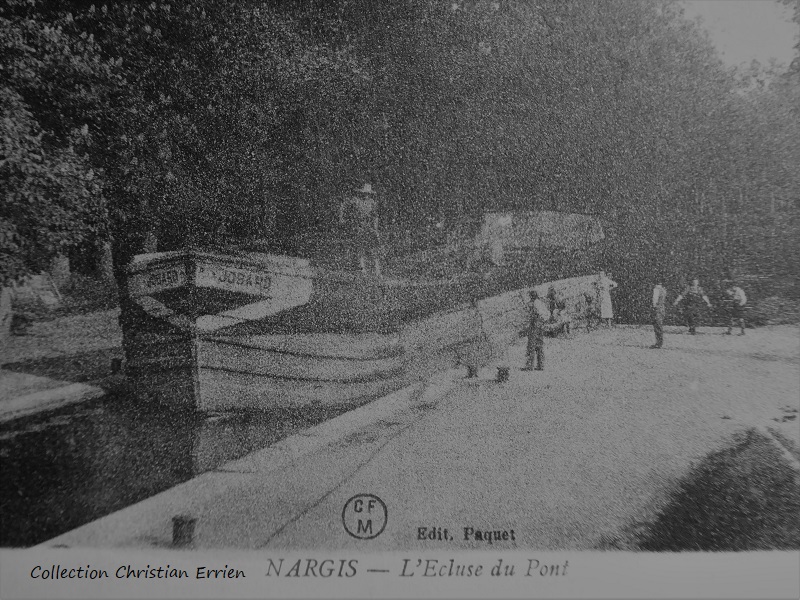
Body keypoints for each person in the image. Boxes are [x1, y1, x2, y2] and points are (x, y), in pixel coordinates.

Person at [522, 290, 549, 371]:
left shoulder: (533, 303)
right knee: (539, 345)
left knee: (531, 345)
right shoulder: (540, 303)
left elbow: (531, 313)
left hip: (534, 324)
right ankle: (540, 365)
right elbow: (546, 314)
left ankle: (530, 366)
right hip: (540, 325)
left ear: (531, 296)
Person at [651, 281, 667, 348]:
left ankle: (658, 343)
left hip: (657, 309)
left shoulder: (656, 289)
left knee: (657, 326)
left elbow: (654, 300)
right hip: (662, 308)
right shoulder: (663, 289)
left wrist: (654, 307)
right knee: (659, 325)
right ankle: (660, 342)